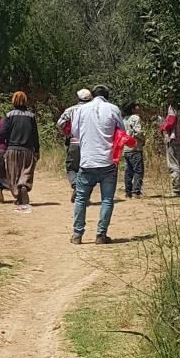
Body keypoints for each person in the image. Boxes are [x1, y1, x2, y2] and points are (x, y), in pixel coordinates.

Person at [70, 85, 125, 245]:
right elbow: (121, 130)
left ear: (93, 95)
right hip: (107, 161)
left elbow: (75, 132)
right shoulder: (113, 109)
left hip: (87, 161)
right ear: (107, 96)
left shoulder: (80, 110)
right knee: (107, 199)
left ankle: (77, 235)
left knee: (81, 198)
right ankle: (101, 235)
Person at [2, 91, 40, 211]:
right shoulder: (31, 116)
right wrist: (37, 150)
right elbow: (35, 135)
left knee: (13, 174)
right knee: (26, 171)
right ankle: (24, 185)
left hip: (12, 149)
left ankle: (17, 193)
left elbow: (3, 133)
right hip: (28, 149)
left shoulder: (9, 115)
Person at [56, 89, 93, 202]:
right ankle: (84, 192)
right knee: (87, 168)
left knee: (71, 168)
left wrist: (66, 133)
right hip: (91, 144)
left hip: (74, 142)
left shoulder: (71, 110)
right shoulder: (94, 110)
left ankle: (76, 185)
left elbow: (59, 124)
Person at [160, 95, 180, 196]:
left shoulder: (172, 108)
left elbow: (171, 122)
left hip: (174, 139)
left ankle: (176, 190)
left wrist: (162, 127)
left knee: (174, 165)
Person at [122, 101, 146, 199]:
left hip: (126, 148)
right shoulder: (135, 118)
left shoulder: (124, 120)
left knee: (128, 171)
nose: (138, 108)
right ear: (132, 109)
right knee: (138, 170)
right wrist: (143, 139)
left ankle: (128, 192)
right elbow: (138, 131)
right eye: (136, 106)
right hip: (135, 148)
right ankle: (136, 191)